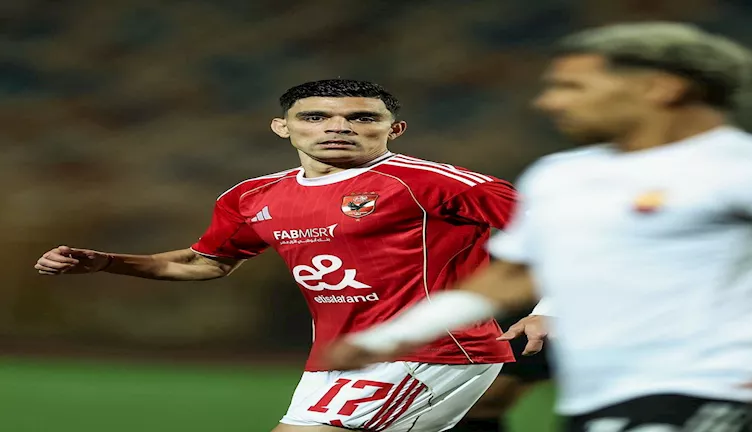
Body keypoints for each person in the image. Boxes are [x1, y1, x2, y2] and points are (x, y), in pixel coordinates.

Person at [323, 23, 752, 431]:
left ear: (660, 87)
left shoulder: (745, 169)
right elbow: (514, 276)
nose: (549, 102)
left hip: (718, 386)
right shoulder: (561, 175)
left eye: (573, 86)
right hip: (600, 394)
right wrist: (395, 336)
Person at [34, 79, 520, 432]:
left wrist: (548, 310)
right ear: (281, 127)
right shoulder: (253, 196)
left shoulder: (434, 182)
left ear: (395, 129)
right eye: (315, 117)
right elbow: (206, 262)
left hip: (431, 350)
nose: (338, 127)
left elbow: (556, 230)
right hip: (336, 359)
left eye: (362, 118)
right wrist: (109, 262)